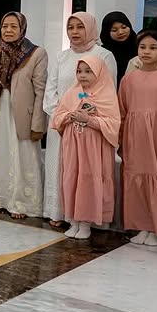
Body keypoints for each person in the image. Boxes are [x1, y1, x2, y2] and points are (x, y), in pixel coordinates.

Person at [43, 12, 117, 226]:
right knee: (61, 168)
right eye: (71, 27)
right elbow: (51, 89)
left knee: (84, 169)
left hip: (89, 126)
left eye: (80, 27)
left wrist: (86, 116)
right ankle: (59, 212)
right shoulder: (62, 56)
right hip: (62, 122)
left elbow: (107, 90)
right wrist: (62, 116)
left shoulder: (104, 55)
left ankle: (87, 217)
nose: (74, 32)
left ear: (91, 28)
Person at [0, 12, 49, 220]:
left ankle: (21, 203)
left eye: (13, 26)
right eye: (4, 26)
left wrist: (38, 124)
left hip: (21, 116)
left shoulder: (36, 53)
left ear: (22, 29)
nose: (8, 30)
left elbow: (40, 91)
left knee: (22, 155)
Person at [52, 56, 120, 240]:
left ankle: (85, 223)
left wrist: (89, 120)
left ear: (99, 72)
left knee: (88, 179)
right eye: (79, 71)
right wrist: (70, 116)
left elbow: (113, 124)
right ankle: (73, 221)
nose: (82, 75)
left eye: (88, 71)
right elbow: (57, 117)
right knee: (72, 178)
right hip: (73, 145)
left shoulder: (106, 95)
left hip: (93, 148)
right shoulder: (72, 93)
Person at [119, 29, 157, 246]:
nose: (146, 52)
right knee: (135, 176)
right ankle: (142, 226)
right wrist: (120, 138)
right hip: (135, 136)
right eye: (142, 47)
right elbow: (122, 111)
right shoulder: (128, 79)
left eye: (153, 47)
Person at [101, 11, 138, 86]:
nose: (120, 32)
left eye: (124, 27)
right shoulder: (103, 52)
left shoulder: (140, 47)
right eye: (114, 30)